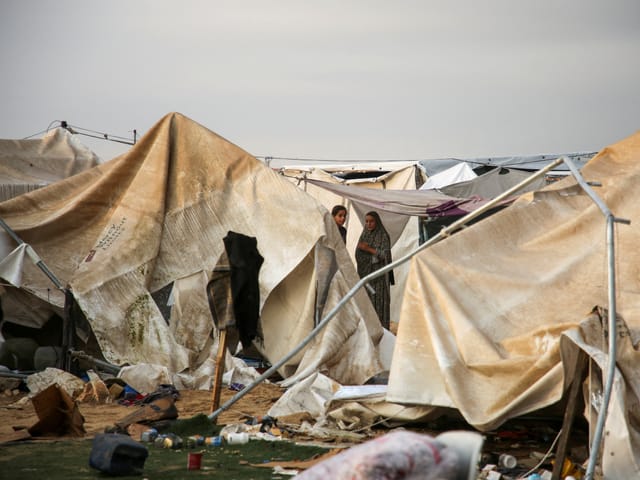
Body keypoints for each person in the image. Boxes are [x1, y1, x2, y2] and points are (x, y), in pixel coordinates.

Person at [355, 211, 394, 328]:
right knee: (367, 305)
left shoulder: (383, 236)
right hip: (367, 278)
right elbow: (358, 254)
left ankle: (382, 331)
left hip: (379, 278)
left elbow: (385, 256)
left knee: (379, 305)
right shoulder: (364, 235)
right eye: (366, 221)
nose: (368, 224)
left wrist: (369, 249)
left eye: (371, 221)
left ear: (377, 222)